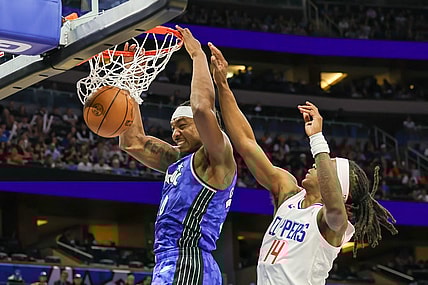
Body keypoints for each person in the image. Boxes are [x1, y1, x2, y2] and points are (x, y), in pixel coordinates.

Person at [209, 43, 398, 284]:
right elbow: (247, 144)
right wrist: (223, 85)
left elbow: (335, 209)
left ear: (336, 187)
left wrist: (317, 140)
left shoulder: (333, 224)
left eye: (324, 166)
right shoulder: (288, 193)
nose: (315, 164)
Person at [119, 26, 237, 284]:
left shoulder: (217, 155)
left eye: (182, 126)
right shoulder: (179, 162)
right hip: (171, 261)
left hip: (189, 259)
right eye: (173, 128)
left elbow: (202, 108)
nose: (174, 134)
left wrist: (197, 57)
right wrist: (131, 83)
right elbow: (133, 143)